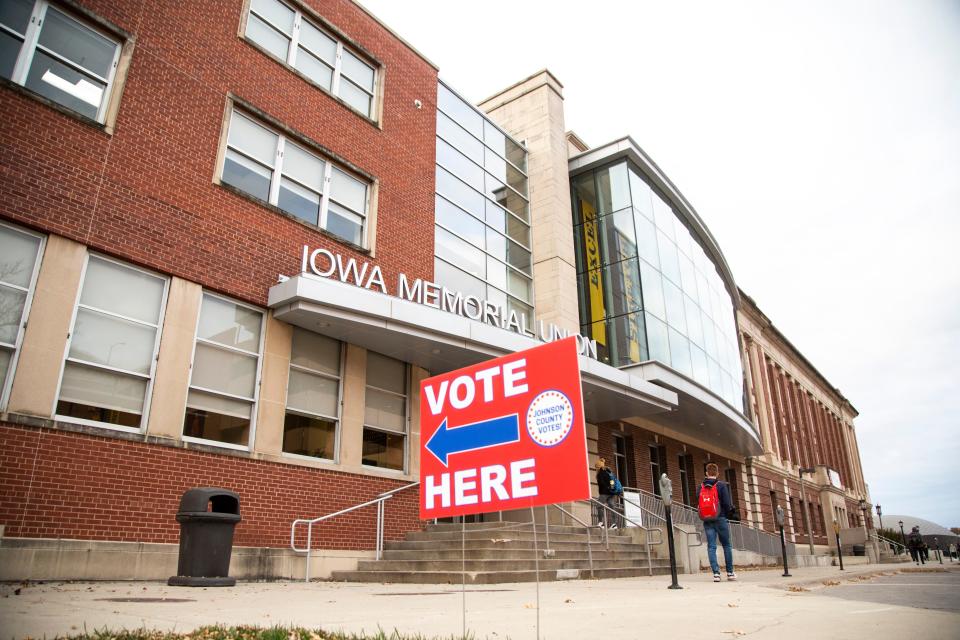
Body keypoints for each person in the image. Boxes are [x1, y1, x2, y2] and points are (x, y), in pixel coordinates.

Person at [698, 462, 736, 582]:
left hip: (707, 519)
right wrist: (728, 513)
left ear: (706, 473)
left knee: (711, 546)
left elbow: (698, 501)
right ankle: (730, 573)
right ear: (717, 473)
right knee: (726, 545)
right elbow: (726, 503)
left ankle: (716, 574)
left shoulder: (701, 486)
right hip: (720, 518)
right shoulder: (721, 485)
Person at [595, 458, 623, 528]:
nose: (596, 469)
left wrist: (606, 488)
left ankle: (601, 523)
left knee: (599, 506)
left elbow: (601, 483)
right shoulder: (608, 472)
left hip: (604, 493)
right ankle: (614, 524)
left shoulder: (600, 474)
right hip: (611, 493)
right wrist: (612, 488)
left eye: (596, 467)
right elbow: (612, 481)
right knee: (612, 507)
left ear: (598, 467)